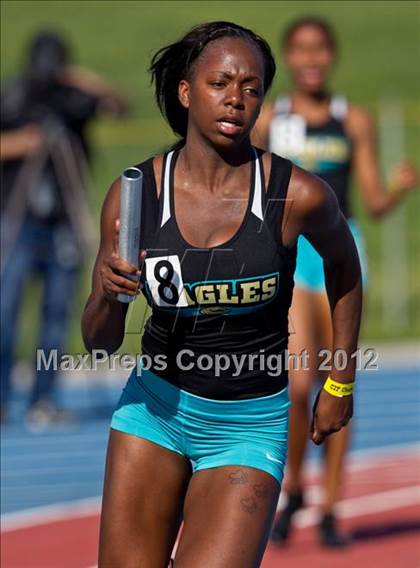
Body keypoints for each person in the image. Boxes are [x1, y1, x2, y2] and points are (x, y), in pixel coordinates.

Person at [82, 21, 362, 567]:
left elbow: (345, 267)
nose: (236, 98)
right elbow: (97, 342)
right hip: (153, 414)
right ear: (186, 92)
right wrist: (110, 297)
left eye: (251, 87)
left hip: (247, 427)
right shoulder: (135, 198)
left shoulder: (296, 194)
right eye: (220, 83)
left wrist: (340, 379)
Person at [253, 16, 418, 546]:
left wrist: (397, 190)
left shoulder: (354, 120)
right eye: (300, 49)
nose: (310, 59)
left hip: (341, 254)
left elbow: (370, 201)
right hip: (289, 258)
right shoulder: (269, 120)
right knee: (298, 384)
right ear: (287, 56)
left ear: (332, 55)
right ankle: (296, 486)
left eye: (319, 49)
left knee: (337, 380)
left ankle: (331, 506)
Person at [0, 30, 128, 427]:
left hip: (63, 224)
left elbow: (117, 106)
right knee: (6, 312)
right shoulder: (13, 95)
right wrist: (20, 143)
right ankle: (3, 397)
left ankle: (45, 398)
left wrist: (81, 79)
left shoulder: (72, 100)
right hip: (19, 222)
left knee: (56, 316)